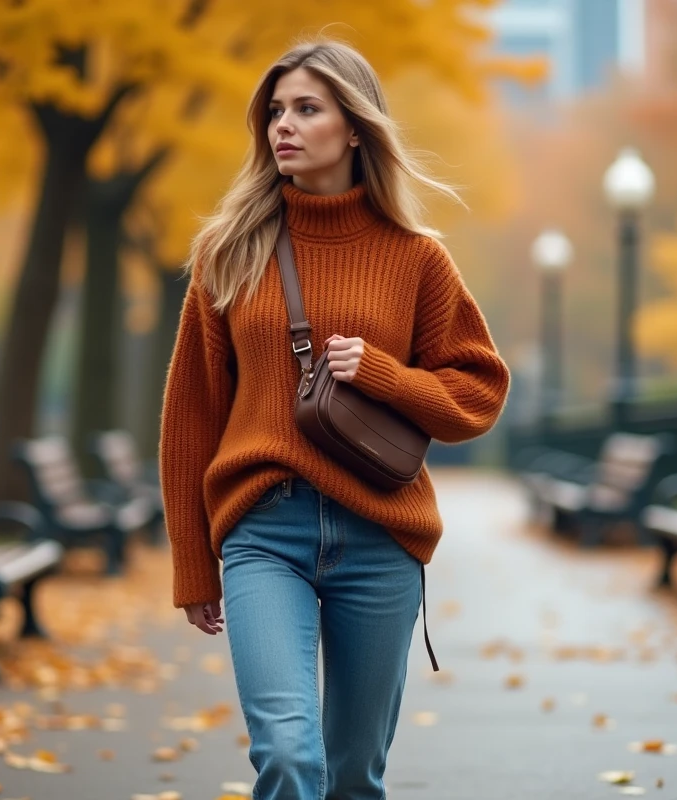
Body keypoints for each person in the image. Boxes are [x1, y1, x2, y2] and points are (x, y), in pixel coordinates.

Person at [159, 38, 510, 800]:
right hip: (264, 532)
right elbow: (191, 415)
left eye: (306, 109)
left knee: (353, 777)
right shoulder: (229, 251)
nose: (283, 126)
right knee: (289, 756)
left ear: (354, 128)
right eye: (275, 112)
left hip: (380, 534)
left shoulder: (417, 258)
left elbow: (478, 392)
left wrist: (384, 375)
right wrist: (193, 563)